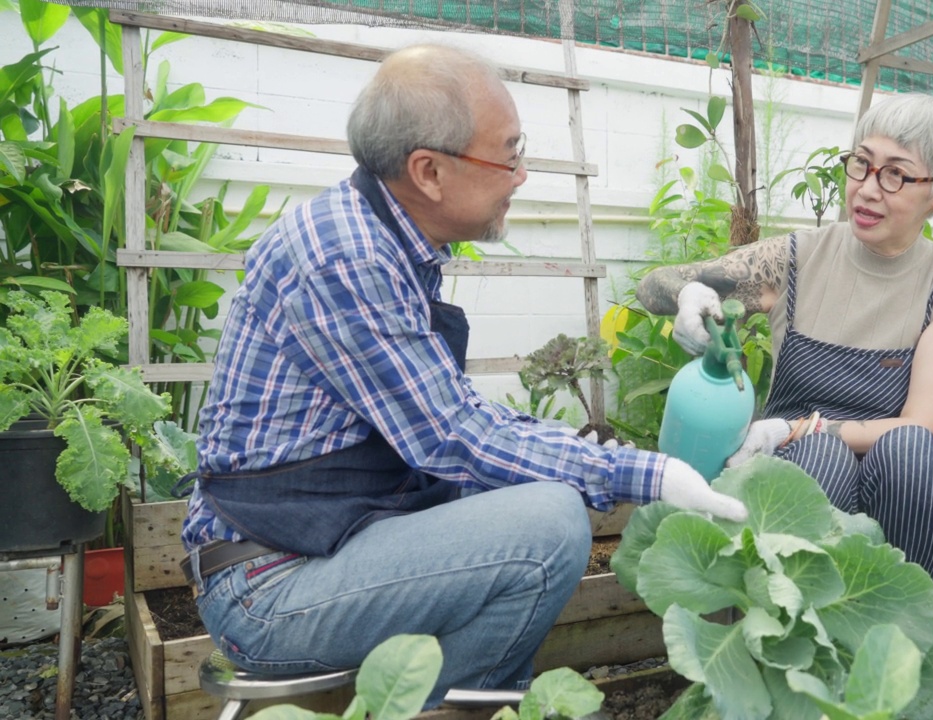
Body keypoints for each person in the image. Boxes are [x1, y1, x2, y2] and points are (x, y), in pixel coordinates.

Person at [177, 43, 746, 707]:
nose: (522, 174)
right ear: (429, 172)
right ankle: (454, 708)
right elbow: (452, 436)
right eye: (509, 153)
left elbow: (448, 416)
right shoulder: (345, 258)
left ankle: (456, 702)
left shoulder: (385, 236)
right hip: (271, 586)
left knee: (533, 496)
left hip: (329, 536)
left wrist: (583, 454)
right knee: (549, 528)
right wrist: (650, 475)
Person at [636, 93, 933, 582]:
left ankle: (899, 623)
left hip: (896, 487)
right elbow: (654, 286)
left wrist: (796, 427)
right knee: (824, 456)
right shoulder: (798, 258)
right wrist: (689, 296)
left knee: (911, 454)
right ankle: (790, 626)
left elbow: (925, 430)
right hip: (802, 473)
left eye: (894, 175)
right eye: (860, 165)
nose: (866, 189)